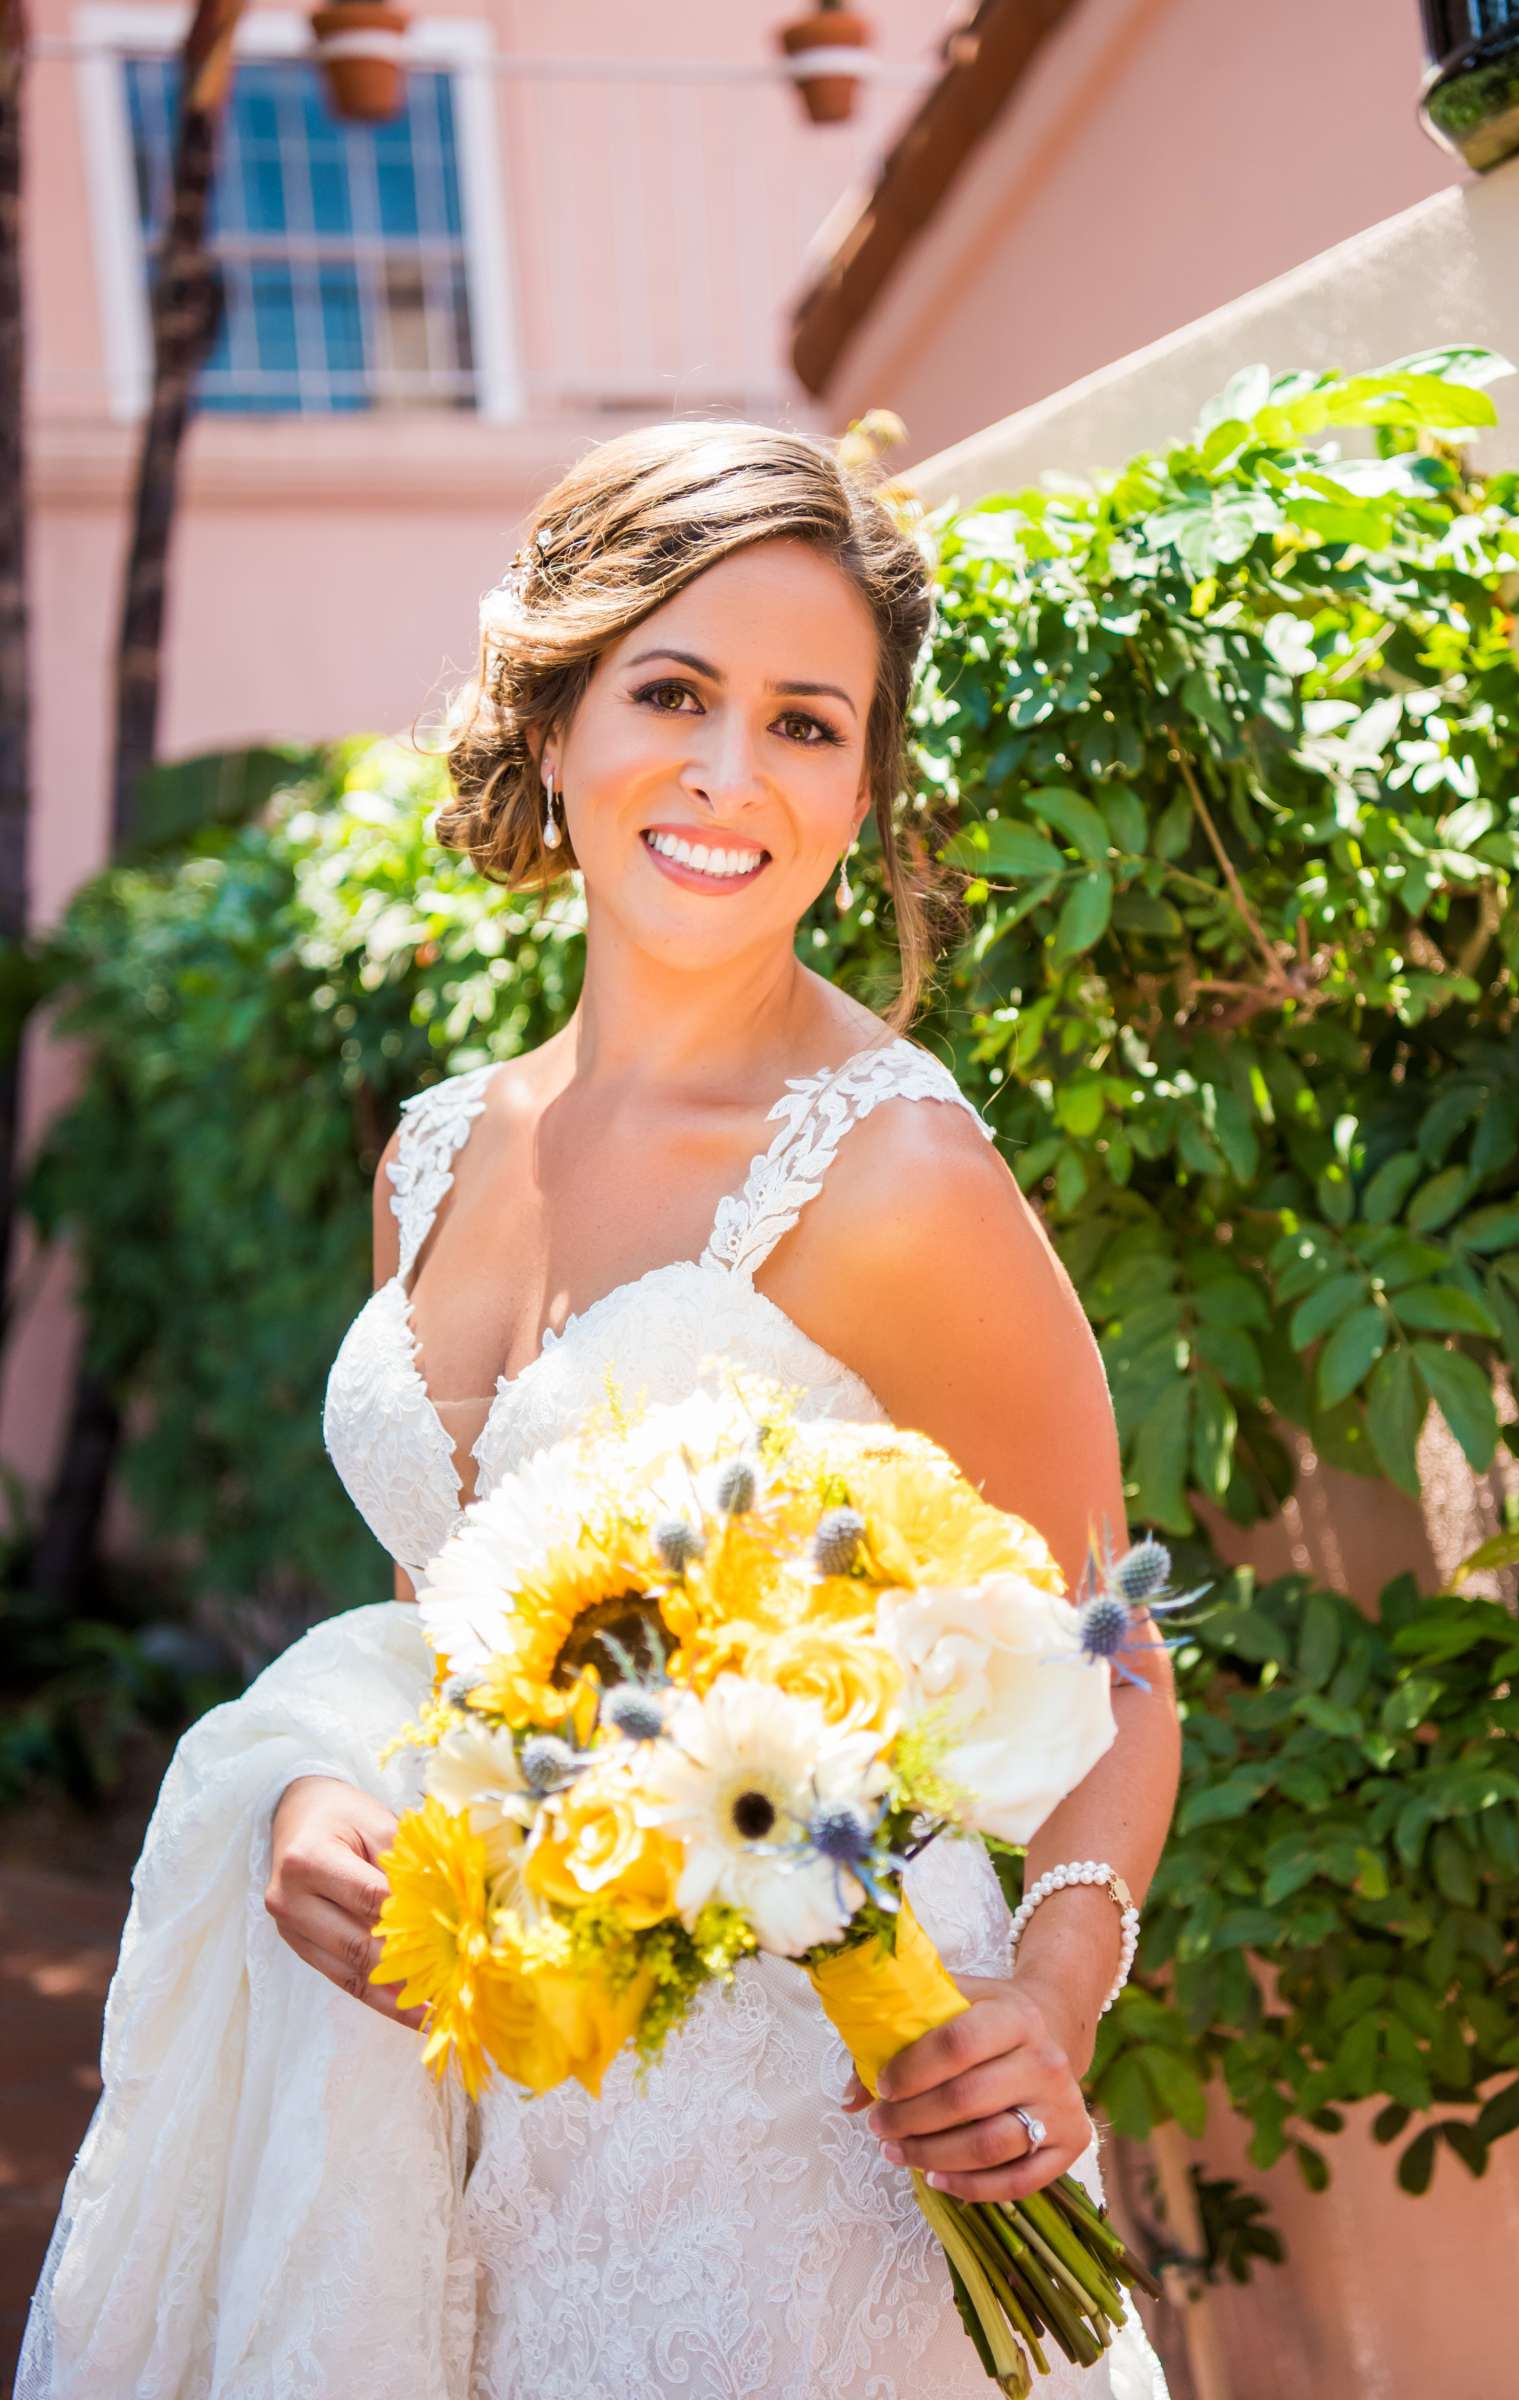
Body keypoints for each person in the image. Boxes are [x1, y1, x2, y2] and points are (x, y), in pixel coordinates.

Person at [18, 422, 1178, 2397]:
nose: (730, 773)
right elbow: (439, 1640)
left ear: (861, 789)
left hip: (817, 2156)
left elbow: (1110, 1655)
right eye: (672, 691)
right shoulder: (438, 1150)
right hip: (482, 2111)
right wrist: (319, 1787)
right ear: (551, 724)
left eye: (808, 723)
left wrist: (1048, 2005)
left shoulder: (894, 1180)